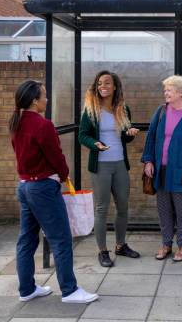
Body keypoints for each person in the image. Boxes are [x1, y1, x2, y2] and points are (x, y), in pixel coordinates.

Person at [9, 80, 98, 304]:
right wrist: (65, 174)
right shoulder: (43, 125)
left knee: (26, 240)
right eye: (44, 96)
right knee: (61, 239)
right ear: (34, 100)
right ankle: (70, 290)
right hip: (43, 188)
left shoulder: (16, 123)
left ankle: (27, 289)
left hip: (25, 186)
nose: (46, 100)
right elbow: (56, 156)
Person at [141, 75, 182, 262]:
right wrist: (148, 161)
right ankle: (166, 244)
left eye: (169, 90)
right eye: (165, 90)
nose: (165, 93)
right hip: (161, 172)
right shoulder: (161, 111)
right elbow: (151, 137)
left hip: (181, 172)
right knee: (164, 210)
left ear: (180, 92)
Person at [79, 70, 140, 267]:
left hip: (120, 164)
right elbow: (82, 135)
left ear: (115, 86)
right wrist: (95, 143)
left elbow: (125, 138)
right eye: (99, 83)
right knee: (101, 208)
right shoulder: (91, 110)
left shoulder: (123, 108)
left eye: (106, 83)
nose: (102, 86)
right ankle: (102, 251)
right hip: (101, 166)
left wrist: (130, 133)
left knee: (123, 207)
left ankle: (120, 246)